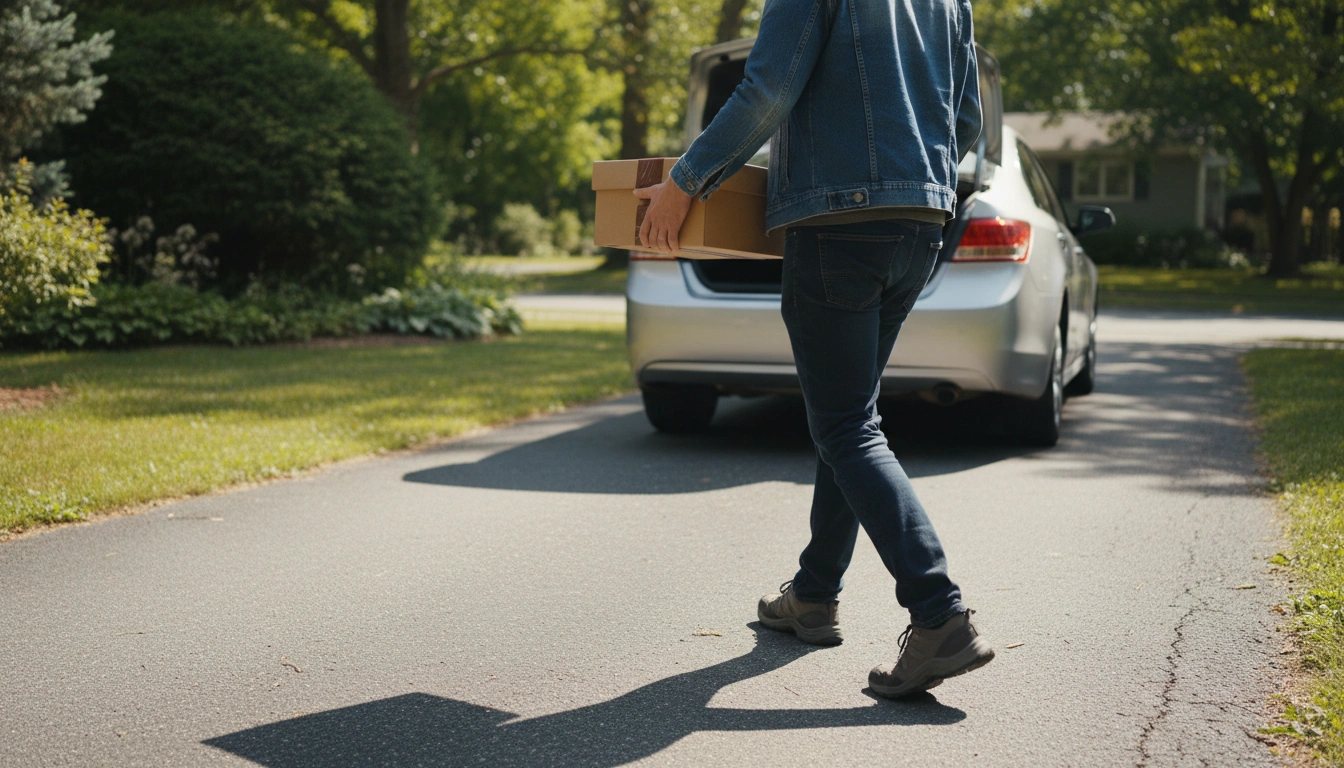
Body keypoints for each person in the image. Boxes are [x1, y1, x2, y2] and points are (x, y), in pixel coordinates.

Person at [632, 0, 994, 697]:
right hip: (919, 221)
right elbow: (967, 118)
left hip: (838, 223)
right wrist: (923, 183)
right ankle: (814, 593)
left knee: (845, 425)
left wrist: (683, 183)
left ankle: (940, 614)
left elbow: (768, 90)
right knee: (852, 414)